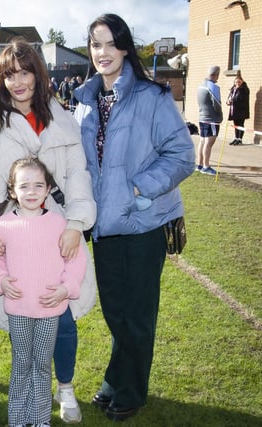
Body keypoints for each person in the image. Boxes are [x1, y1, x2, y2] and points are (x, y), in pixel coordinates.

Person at [0, 37, 97, 425]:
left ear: (39, 74)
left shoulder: (62, 119)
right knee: (24, 324)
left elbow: (78, 177)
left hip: (56, 232)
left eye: (25, 73)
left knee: (63, 315)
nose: (18, 82)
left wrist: (75, 224)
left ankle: (64, 388)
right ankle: (27, 405)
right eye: (9, 75)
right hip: (12, 235)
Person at [72, 13, 195, 421]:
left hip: (143, 223)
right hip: (105, 226)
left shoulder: (152, 97)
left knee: (137, 315)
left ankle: (130, 391)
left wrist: (139, 187)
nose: (101, 53)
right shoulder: (85, 101)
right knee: (116, 312)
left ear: (124, 47)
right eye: (95, 44)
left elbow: (182, 156)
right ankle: (115, 380)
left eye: (109, 43)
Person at [0, 157, 86, 427]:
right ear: (12, 191)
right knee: (21, 366)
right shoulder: (4, 225)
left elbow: (75, 259)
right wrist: (0, 280)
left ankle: (40, 419)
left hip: (50, 309)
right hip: (19, 310)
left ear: (48, 189)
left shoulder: (59, 224)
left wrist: (66, 288)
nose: (31, 192)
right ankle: (17, 419)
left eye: (38, 185)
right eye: (24, 186)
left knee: (41, 365)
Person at [196, 65, 223, 175]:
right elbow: (217, 104)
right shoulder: (213, 87)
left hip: (202, 117)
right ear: (216, 75)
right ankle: (206, 166)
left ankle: (200, 164)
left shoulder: (201, 86)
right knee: (209, 142)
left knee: (202, 141)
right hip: (211, 119)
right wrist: (220, 116)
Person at [227, 72, 250, 145]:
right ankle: (236, 137)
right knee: (235, 124)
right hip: (234, 110)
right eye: (236, 82)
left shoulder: (244, 89)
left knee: (240, 124)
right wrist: (228, 101)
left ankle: (240, 138)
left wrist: (238, 90)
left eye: (239, 82)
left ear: (242, 82)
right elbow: (230, 97)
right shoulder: (233, 89)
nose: (237, 83)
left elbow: (241, 98)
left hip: (241, 110)